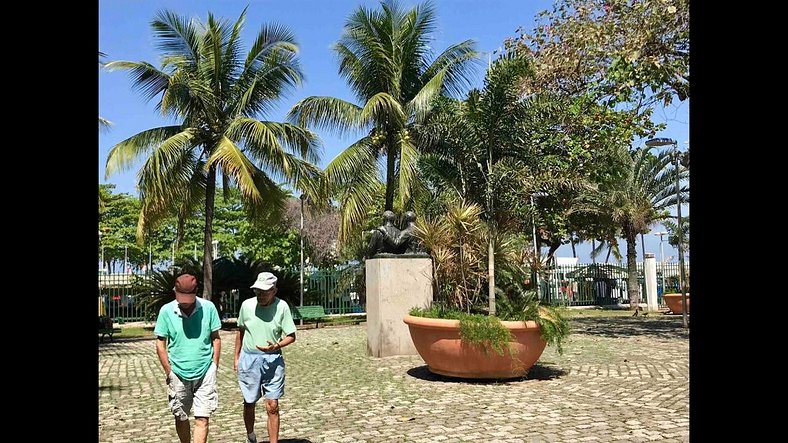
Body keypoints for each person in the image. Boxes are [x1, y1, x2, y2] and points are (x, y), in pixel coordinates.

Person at [154, 273, 221, 443]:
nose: (184, 301)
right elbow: (160, 343)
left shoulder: (208, 307)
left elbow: (216, 337)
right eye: (180, 296)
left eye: (188, 297)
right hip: (178, 373)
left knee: (202, 418)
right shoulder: (166, 311)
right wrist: (169, 371)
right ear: (175, 292)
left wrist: (214, 366)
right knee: (181, 416)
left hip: (205, 371)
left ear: (195, 293)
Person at [234, 272, 297, 443]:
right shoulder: (247, 306)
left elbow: (291, 335)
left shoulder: (282, 307)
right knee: (249, 402)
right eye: (257, 291)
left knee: (272, 405)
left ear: (274, 291)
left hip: (273, 360)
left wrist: (277, 346)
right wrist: (236, 357)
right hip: (250, 360)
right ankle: (250, 435)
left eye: (265, 291)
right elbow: (241, 332)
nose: (260, 295)